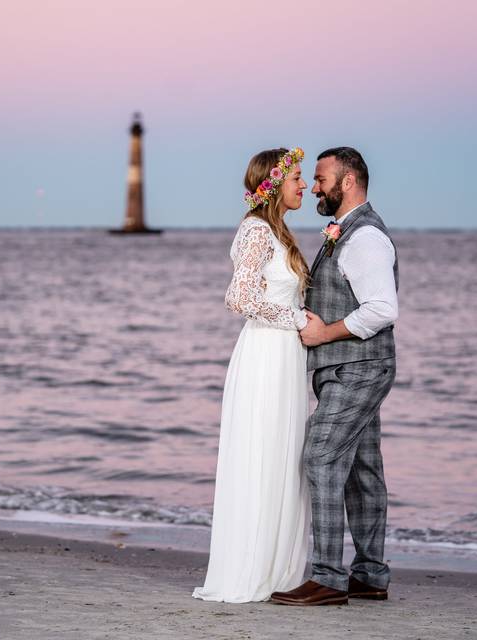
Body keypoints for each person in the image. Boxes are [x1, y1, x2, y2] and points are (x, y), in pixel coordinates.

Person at [270, 146, 399, 606]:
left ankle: (327, 577)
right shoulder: (342, 233)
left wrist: (325, 332)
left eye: (322, 179)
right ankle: (369, 575)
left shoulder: (365, 238)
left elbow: (383, 309)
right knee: (362, 470)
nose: (315, 187)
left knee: (321, 456)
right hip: (349, 368)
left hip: (359, 368)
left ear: (348, 182)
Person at [192, 147, 312, 603]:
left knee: (283, 456)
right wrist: (299, 320)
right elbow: (238, 298)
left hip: (284, 356)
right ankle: (252, 568)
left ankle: (278, 569)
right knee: (263, 452)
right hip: (265, 354)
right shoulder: (256, 231)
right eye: (298, 177)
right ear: (275, 182)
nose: (304, 185)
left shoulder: (278, 232)